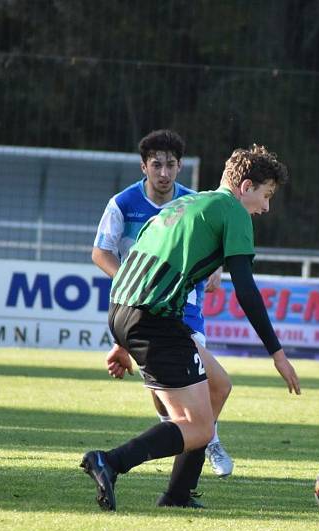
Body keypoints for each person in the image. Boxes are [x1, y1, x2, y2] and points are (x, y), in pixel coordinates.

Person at [81, 144, 301, 511]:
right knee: (197, 427)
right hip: (152, 319)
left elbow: (137, 257)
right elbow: (246, 289)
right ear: (246, 186)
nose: (266, 207)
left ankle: (177, 494)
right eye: (266, 196)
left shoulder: (187, 204)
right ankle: (110, 461)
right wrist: (277, 354)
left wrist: (123, 338)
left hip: (127, 309)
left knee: (219, 385)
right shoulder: (233, 211)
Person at [92, 129, 234, 479]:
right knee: (166, 398)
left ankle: (205, 441)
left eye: (171, 165)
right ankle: (189, 455)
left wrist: (216, 269)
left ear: (180, 167)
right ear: (144, 167)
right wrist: (132, 281)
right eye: (157, 165)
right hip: (143, 307)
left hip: (185, 310)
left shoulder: (191, 201)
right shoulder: (123, 204)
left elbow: (215, 246)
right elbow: (100, 252)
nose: (164, 173)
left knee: (206, 387)